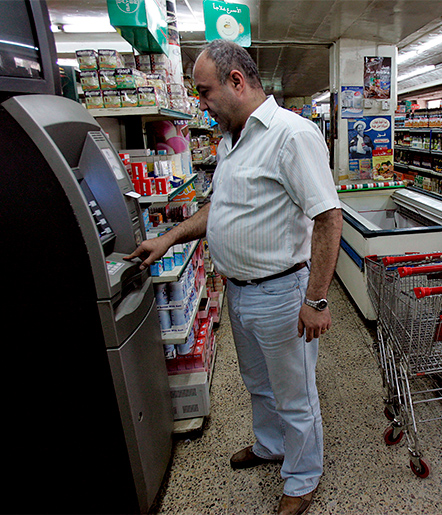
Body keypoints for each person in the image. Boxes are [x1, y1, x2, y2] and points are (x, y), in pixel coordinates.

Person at [125, 40, 342, 515]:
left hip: (283, 293)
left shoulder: (291, 134)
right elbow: (219, 208)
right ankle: (271, 447)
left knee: (295, 393)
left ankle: (303, 479)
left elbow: (328, 218)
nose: (201, 103)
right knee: (258, 384)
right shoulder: (231, 139)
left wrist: (317, 299)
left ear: (236, 82)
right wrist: (169, 238)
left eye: (204, 92)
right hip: (241, 295)